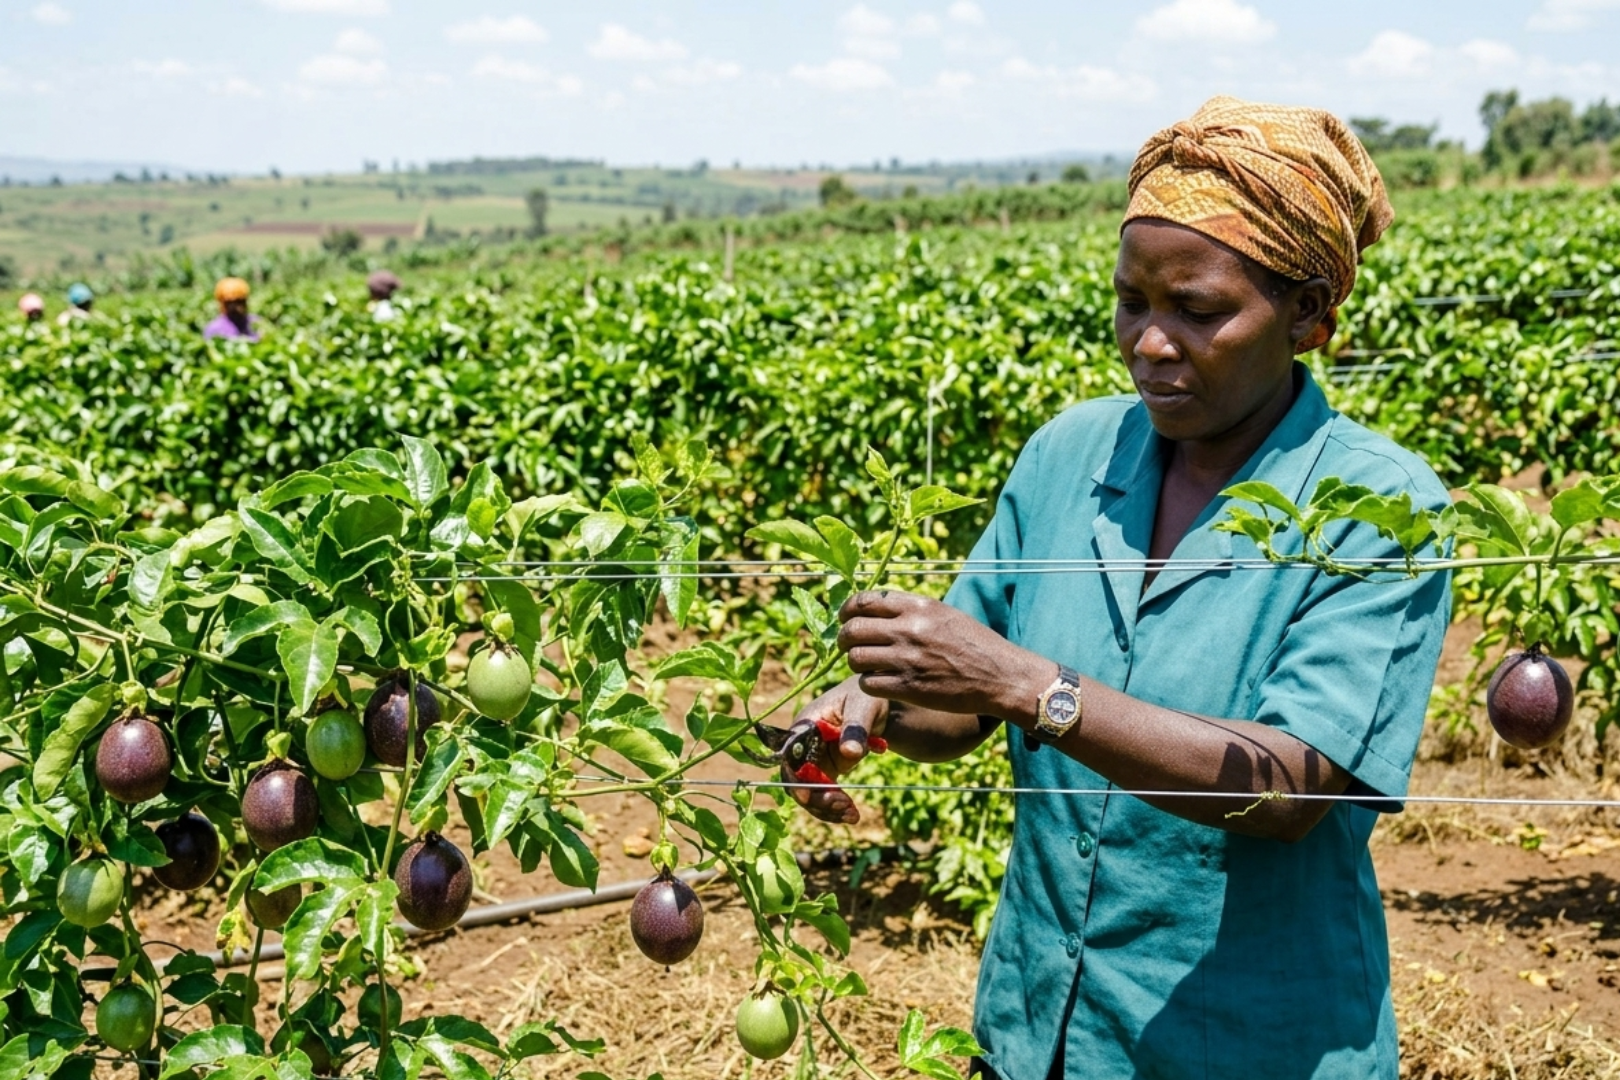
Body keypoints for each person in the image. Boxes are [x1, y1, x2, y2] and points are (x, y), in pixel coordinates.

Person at [786, 96, 1452, 1080]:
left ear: (1308, 314)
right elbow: (958, 710)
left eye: (1198, 309)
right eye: (1133, 301)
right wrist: (875, 709)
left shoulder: (1379, 505)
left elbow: (1289, 790)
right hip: (1038, 1029)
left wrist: (1031, 688)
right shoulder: (1069, 454)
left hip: (1253, 1047)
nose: (1149, 340)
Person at [204, 277, 262, 341]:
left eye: (239, 301)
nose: (235, 307)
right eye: (229, 303)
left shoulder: (256, 323)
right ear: (222, 303)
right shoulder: (214, 329)